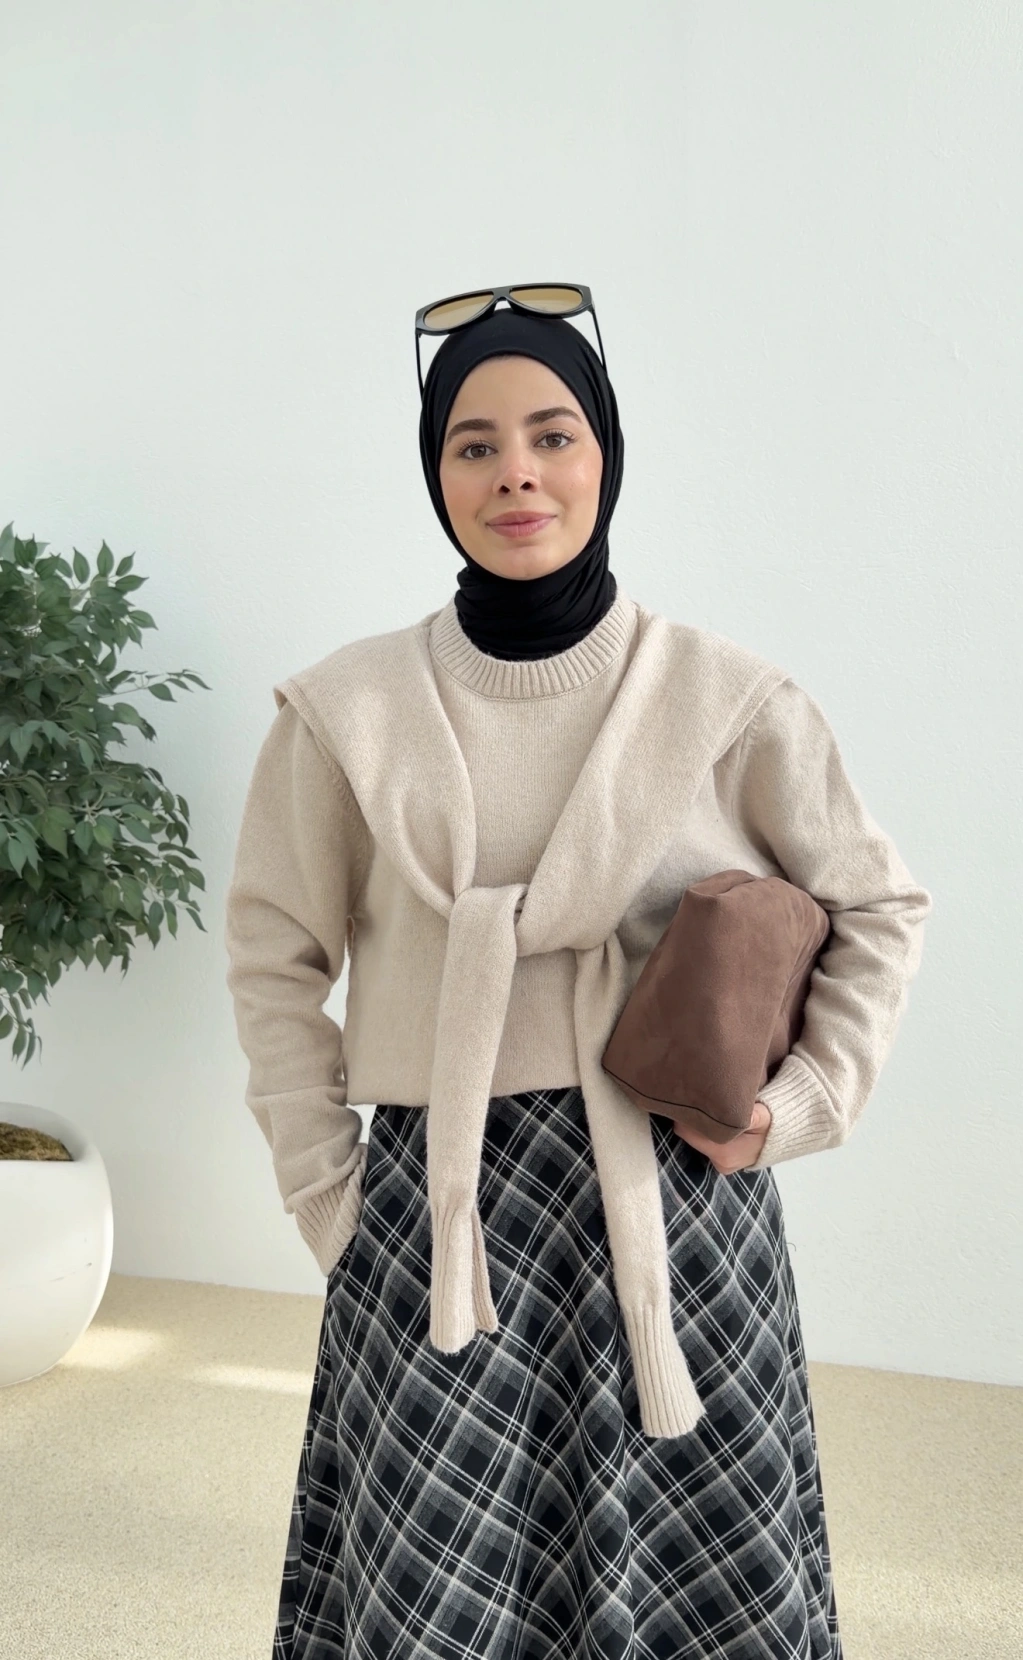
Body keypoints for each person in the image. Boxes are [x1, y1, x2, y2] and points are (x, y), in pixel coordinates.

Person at [224, 293, 932, 1659]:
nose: (518, 475)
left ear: (606, 451)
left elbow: (880, 904)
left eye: (553, 434)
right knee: (441, 1596)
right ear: (435, 473)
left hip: (678, 1204)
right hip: (438, 1224)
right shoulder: (348, 713)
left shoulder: (726, 698)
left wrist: (795, 1108)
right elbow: (272, 953)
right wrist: (327, 1191)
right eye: (474, 445)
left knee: (696, 1595)